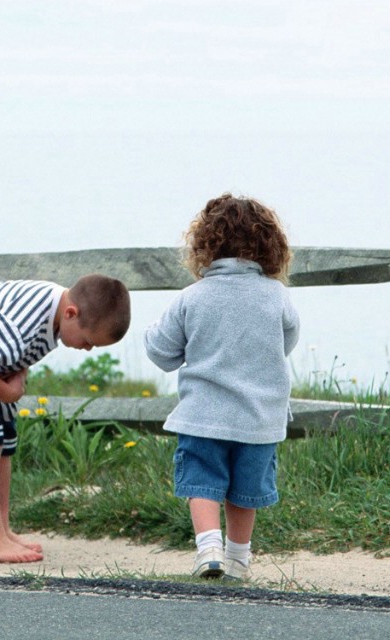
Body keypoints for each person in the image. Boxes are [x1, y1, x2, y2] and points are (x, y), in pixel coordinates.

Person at [0, 273, 131, 563]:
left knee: (5, 443)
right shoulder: (24, 322)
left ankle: (2, 530)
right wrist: (7, 393)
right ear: (72, 313)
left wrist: (17, 376)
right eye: (87, 342)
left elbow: (20, 352)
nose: (87, 349)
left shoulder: (56, 314)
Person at [144, 194, 299, 580]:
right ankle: (238, 559)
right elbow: (288, 341)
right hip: (259, 419)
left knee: (203, 481)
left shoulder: (191, 298)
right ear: (270, 247)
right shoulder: (277, 296)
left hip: (203, 418)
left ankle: (208, 547)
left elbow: (162, 352)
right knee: (246, 490)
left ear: (204, 245)